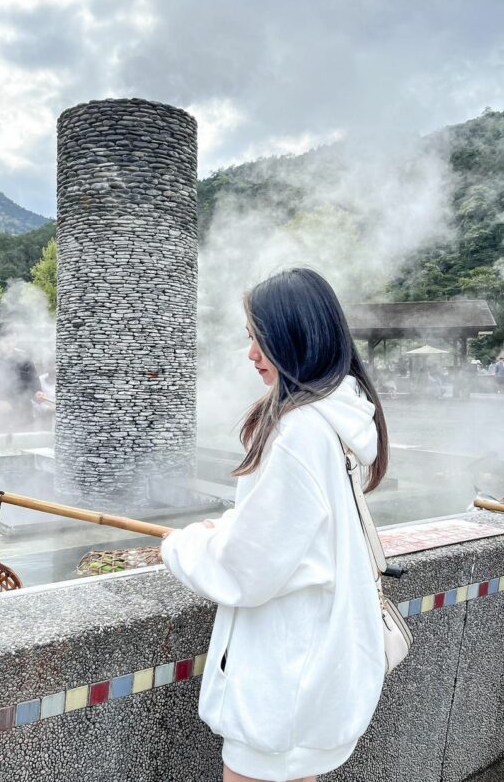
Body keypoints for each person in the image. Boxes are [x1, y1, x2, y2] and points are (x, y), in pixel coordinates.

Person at [161, 268, 389, 782]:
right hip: (318, 667)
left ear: (293, 337)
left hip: (282, 677)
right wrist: (233, 524)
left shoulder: (297, 431)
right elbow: (295, 524)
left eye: (257, 339)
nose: (250, 354)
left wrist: (181, 544)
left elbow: (246, 570)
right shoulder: (342, 416)